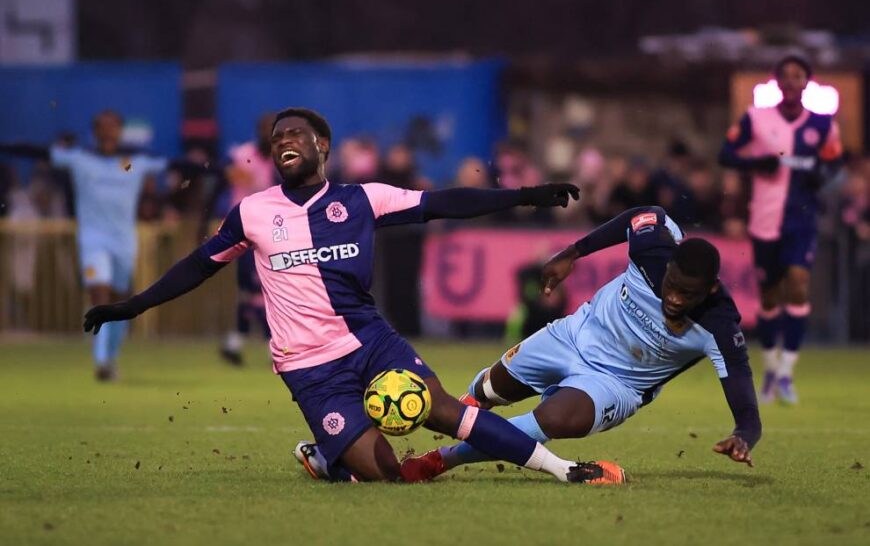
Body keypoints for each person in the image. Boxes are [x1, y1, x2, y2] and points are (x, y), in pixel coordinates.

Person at [81, 107, 626, 485]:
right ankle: (331, 457)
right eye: (275, 140)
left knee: (443, 409)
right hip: (309, 366)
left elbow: (443, 203)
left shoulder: (363, 199)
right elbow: (199, 266)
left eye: (294, 134)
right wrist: (132, 305)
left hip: (370, 338)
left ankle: (561, 469)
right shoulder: (253, 211)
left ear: (322, 147)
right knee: (387, 476)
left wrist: (526, 196)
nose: (283, 143)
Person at [401, 206, 762, 482]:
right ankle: (464, 410)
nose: (676, 299)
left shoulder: (719, 325)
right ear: (668, 265)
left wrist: (743, 435)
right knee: (489, 388)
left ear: (712, 289)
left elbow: (746, 405)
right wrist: (573, 253)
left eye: (689, 294)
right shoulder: (653, 248)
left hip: (615, 385)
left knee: (551, 419)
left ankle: (441, 459)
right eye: (672, 285)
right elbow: (641, 214)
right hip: (574, 334)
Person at [0, 110, 180, 380]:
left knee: (120, 300)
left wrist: (216, 168)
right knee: (99, 292)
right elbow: (37, 152)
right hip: (93, 240)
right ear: (95, 132)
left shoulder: (136, 161)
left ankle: (111, 356)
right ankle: (101, 361)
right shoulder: (80, 158)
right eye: (102, 128)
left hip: (124, 242)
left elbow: (178, 165)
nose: (107, 132)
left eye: (113, 127)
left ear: (120, 131)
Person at [718, 55, 843, 404]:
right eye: (785, 76)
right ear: (777, 83)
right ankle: (771, 368)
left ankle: (788, 372)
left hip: (801, 219)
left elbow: (834, 161)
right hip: (764, 219)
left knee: (799, 285)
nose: (791, 82)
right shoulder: (757, 119)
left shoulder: (822, 124)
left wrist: (823, 174)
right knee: (770, 297)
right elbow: (726, 154)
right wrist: (756, 162)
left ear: (806, 82)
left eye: (798, 76)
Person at [218, 113, 280, 366]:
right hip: (243, 229)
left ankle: (235, 342)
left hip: (272, 231)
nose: (269, 134)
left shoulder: (280, 160)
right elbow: (223, 180)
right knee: (257, 288)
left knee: (258, 291)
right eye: (265, 129)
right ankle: (272, 346)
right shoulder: (242, 154)